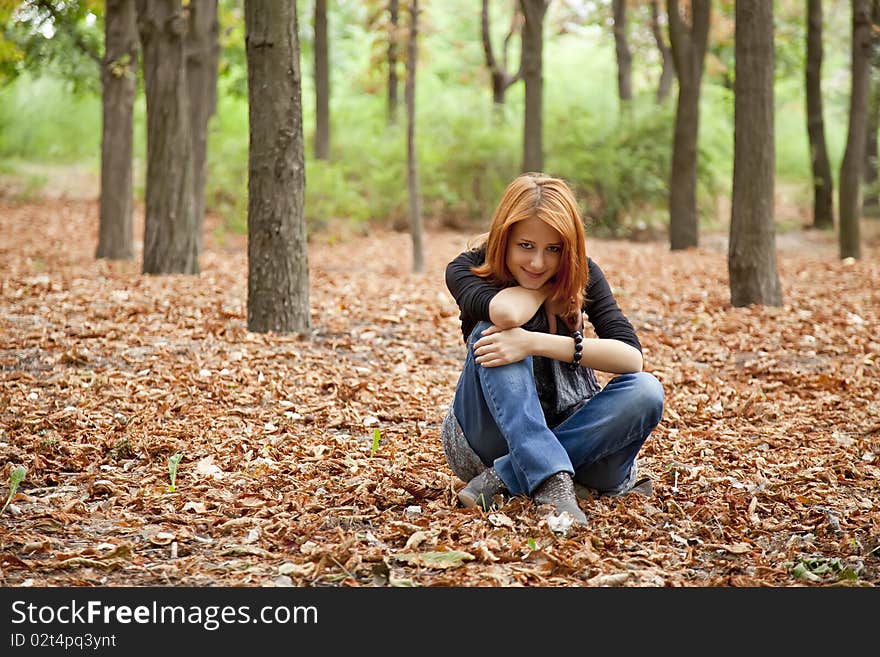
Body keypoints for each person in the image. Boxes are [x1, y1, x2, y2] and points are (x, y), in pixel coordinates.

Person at [441, 172, 664, 526]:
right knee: (495, 333)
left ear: (569, 248)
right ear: (504, 239)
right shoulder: (467, 267)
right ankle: (553, 481)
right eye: (525, 246)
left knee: (646, 389)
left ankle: (507, 479)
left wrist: (537, 342)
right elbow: (506, 312)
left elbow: (631, 357)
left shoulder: (584, 273)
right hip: (486, 439)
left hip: (581, 439)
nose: (538, 263)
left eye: (554, 250)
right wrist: (552, 286)